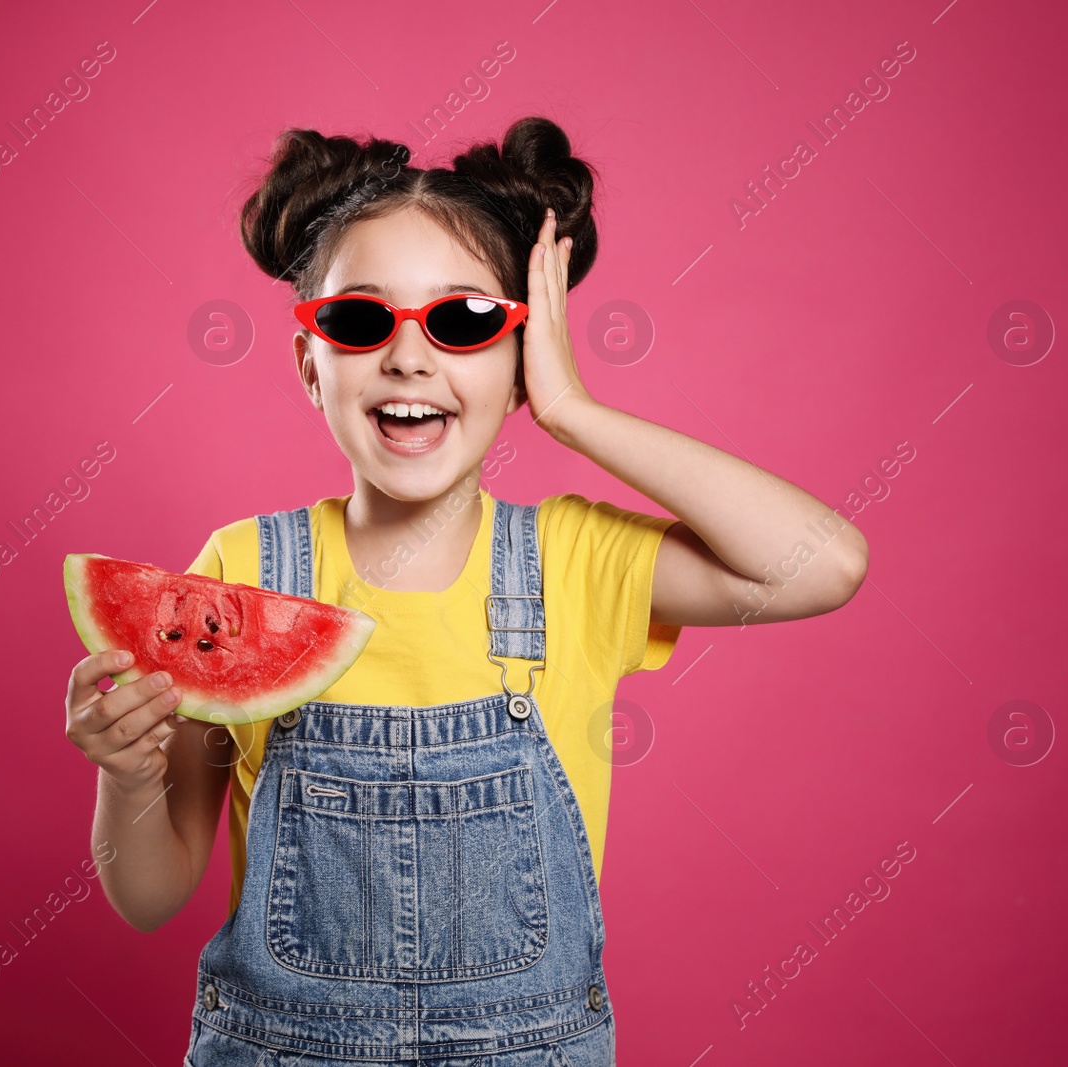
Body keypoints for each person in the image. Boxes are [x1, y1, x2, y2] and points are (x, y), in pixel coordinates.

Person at [65, 115, 869, 1066]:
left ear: (518, 364)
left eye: (464, 321)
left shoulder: (575, 559)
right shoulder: (240, 572)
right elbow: (151, 896)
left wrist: (576, 412)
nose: (411, 358)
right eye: (361, 322)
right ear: (307, 366)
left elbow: (826, 561)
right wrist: (125, 779)